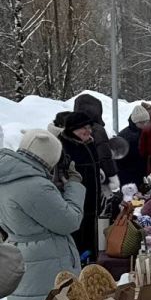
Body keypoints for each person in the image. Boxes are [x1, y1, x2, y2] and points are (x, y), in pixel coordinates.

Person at [0, 130, 84, 300]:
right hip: (47, 263)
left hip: (21, 255)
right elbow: (69, 221)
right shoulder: (35, 186)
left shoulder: (6, 177)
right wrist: (74, 185)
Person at [58, 111, 101, 261]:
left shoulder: (88, 143)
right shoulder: (63, 146)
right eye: (83, 128)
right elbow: (60, 175)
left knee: (90, 235)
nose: (88, 131)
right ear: (72, 129)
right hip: (74, 200)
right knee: (77, 237)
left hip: (91, 200)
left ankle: (90, 263)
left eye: (89, 127)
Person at [73, 93, 120, 196]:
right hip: (98, 178)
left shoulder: (71, 128)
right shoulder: (96, 129)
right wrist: (112, 176)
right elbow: (104, 155)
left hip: (76, 179)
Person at [116, 103, 151, 188]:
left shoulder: (147, 133)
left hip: (142, 174)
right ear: (135, 122)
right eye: (142, 122)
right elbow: (118, 159)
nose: (145, 124)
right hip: (128, 176)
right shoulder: (124, 136)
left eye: (147, 122)